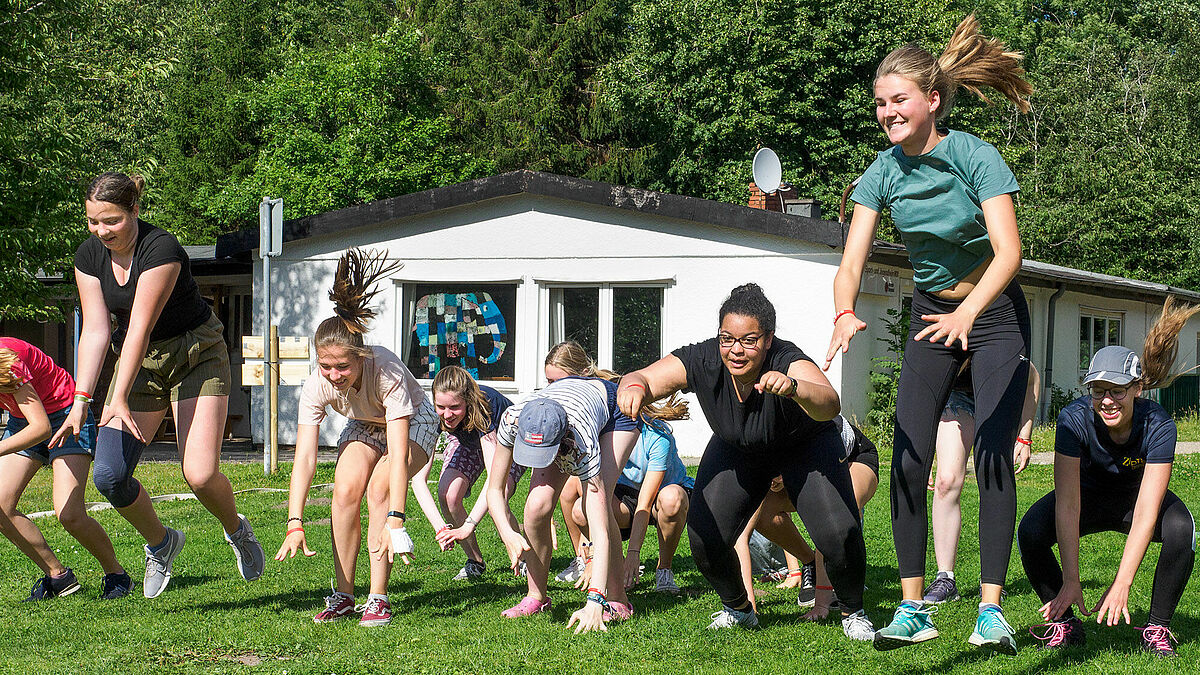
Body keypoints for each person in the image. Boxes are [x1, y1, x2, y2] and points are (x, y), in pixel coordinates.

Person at [825, 15, 1034, 653]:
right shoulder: (882, 172)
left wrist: (970, 316)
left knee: (993, 454)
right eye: (881, 103)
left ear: (931, 101)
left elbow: (1010, 252)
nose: (887, 111)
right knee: (909, 453)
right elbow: (853, 260)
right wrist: (843, 310)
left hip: (993, 312)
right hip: (929, 313)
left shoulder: (974, 156)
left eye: (899, 100)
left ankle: (990, 611)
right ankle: (914, 608)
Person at [620, 283, 874, 640]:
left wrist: (793, 388)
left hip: (804, 446)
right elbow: (644, 376)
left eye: (749, 340)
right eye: (727, 339)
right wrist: (633, 387)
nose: (736, 350)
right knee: (704, 537)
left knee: (837, 533)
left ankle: (853, 611)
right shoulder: (703, 359)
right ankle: (738, 610)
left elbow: (829, 402)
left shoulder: (787, 358)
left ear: (768, 339)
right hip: (739, 447)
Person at [52, 172, 263, 599]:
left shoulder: (161, 249)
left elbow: (140, 328)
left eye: (111, 220)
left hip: (196, 354)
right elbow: (95, 331)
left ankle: (236, 529)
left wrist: (119, 396)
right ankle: (162, 542)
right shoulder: (89, 256)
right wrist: (81, 401)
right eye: (93, 221)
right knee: (110, 476)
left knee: (199, 474)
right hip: (142, 363)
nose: (101, 231)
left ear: (134, 211)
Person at [1018, 298, 1199, 658]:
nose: (1107, 400)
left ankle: (1157, 627)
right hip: (1087, 499)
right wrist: (1072, 580)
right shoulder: (1073, 420)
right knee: (1031, 531)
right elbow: (1068, 504)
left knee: (1182, 529)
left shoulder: (1159, 423)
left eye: (1117, 390)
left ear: (1137, 389)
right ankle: (1065, 622)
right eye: (1098, 391)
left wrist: (1122, 582)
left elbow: (1148, 510)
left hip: (1134, 503)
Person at [275, 248, 446, 627]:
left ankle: (378, 597)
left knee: (379, 488)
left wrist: (396, 520)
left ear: (361, 357)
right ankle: (344, 596)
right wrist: (294, 520)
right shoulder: (316, 386)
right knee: (345, 488)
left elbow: (398, 453)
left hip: (414, 420)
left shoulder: (385, 370)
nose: (333, 374)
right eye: (325, 366)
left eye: (343, 366)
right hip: (366, 422)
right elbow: (304, 458)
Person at [483, 375, 639, 633]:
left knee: (597, 506)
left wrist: (594, 599)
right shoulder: (512, 419)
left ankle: (617, 600)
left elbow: (598, 529)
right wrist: (508, 533)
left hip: (614, 412)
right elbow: (494, 490)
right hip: (565, 407)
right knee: (535, 507)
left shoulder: (582, 442)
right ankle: (536, 596)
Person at [0, 340, 130, 600]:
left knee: (69, 514)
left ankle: (117, 576)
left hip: (67, 415)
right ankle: (58, 577)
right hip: (22, 418)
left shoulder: (7, 362)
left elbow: (40, 428)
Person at [735, 415, 879, 617]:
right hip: (797, 462)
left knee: (843, 509)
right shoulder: (756, 448)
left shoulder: (807, 431)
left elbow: (828, 518)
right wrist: (747, 606)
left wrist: (820, 606)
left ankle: (842, 579)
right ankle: (809, 562)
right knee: (764, 512)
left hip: (851, 458)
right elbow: (741, 535)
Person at [923, 361, 1040, 603]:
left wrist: (1025, 436)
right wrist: (924, 454)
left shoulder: (999, 342)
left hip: (998, 400)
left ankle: (992, 581)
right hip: (957, 399)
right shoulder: (946, 345)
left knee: (993, 480)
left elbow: (1032, 378)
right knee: (946, 481)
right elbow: (923, 391)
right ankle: (945, 578)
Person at [572, 409, 694, 595]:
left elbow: (644, 504)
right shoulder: (603, 432)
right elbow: (591, 487)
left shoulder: (658, 435)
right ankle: (614, 566)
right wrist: (594, 555)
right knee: (581, 510)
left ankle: (664, 570)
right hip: (628, 492)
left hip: (662, 491)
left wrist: (633, 554)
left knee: (672, 499)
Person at [429, 365, 526, 580]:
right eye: (441, 407)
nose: (447, 415)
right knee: (448, 494)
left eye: (455, 407)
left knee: (497, 501)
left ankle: (523, 556)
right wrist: (440, 527)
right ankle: (475, 561)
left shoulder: (485, 404)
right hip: (470, 444)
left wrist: (468, 525)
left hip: (508, 444)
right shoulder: (437, 411)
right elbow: (419, 476)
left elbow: (495, 483)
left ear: (467, 400)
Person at [543, 341, 616, 584]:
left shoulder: (597, 401)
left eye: (560, 382)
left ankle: (604, 566)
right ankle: (581, 558)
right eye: (549, 383)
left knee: (595, 501)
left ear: (583, 375)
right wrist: (547, 515)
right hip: (585, 457)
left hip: (610, 467)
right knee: (566, 490)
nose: (554, 390)